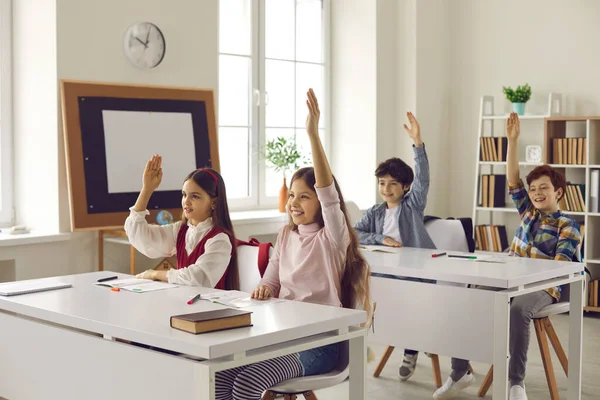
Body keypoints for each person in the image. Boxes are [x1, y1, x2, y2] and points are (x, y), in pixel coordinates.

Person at [213, 89, 372, 400]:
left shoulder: (332, 237)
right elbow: (271, 280)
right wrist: (264, 289)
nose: (295, 203)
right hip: (283, 335)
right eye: (293, 196)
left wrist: (313, 134)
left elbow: (328, 193)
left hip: (320, 344)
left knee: (248, 383)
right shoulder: (286, 236)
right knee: (219, 376)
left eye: (305, 196)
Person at [433, 112, 581, 400]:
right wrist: (513, 141)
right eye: (534, 189)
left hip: (544, 287)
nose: (537, 193)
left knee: (517, 309)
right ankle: (460, 371)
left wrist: (524, 277)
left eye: (544, 189)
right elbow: (513, 180)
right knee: (466, 297)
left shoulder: (569, 225)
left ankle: (515, 383)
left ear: (558, 192)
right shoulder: (528, 212)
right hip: (508, 278)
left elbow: (559, 268)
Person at [354, 112, 436, 380]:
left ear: (405, 186)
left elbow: (423, 179)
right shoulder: (376, 212)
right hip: (387, 274)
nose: (386, 189)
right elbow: (355, 233)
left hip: (416, 272)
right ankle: (376, 343)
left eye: (392, 184)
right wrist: (380, 239)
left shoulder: (412, 206)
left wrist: (418, 143)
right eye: (381, 183)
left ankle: (411, 349)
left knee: (410, 302)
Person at [125, 156, 239, 290]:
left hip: (211, 308)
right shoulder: (181, 230)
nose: (186, 201)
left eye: (195, 196)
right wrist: (147, 189)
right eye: (184, 195)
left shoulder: (220, 239)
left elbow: (198, 279)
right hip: (186, 304)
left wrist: (156, 274)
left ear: (214, 202)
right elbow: (141, 237)